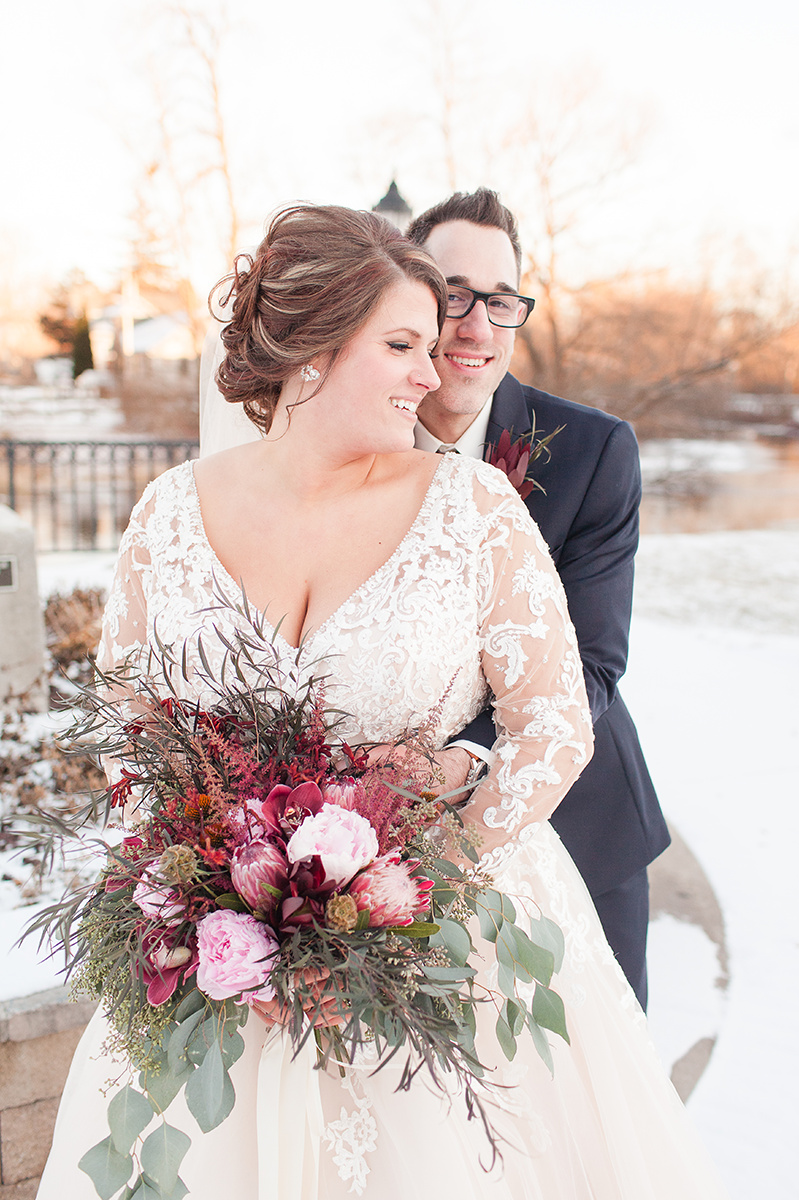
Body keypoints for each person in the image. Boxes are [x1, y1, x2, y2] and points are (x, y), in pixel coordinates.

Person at [38, 206, 727, 1200]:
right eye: (402, 344)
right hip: (223, 958)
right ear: (311, 349)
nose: (431, 369)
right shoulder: (168, 513)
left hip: (437, 946)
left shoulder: (473, 509)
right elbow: (126, 722)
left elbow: (554, 722)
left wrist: (409, 878)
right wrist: (196, 887)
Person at [198, 190, 669, 1010]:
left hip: (579, 827)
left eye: (503, 301)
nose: (477, 326)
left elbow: (593, 664)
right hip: (361, 855)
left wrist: (462, 759)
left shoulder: (594, 450)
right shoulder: (340, 439)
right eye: (453, 295)